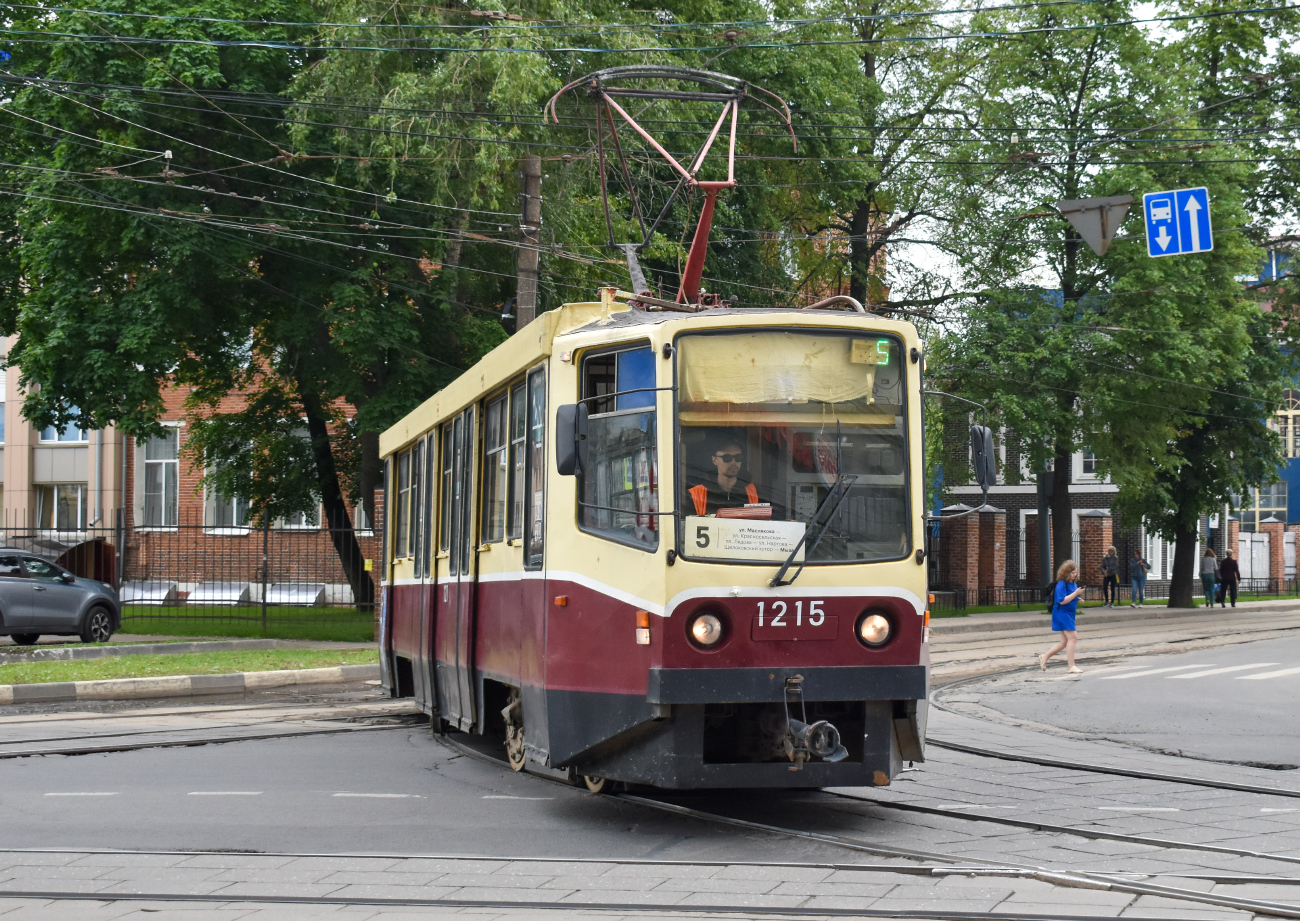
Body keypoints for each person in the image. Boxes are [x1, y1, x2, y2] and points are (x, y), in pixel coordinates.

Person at [686, 435, 760, 516]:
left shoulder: (755, 492)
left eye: (738, 457)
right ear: (714, 460)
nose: (733, 462)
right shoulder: (696, 494)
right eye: (727, 457)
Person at [1040, 560, 1085, 674]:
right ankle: (1071, 666)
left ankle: (1045, 656)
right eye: (1072, 573)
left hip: (1069, 613)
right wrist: (1076, 594)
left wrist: (1077, 599)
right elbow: (1062, 600)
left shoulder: (1073, 584)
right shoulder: (1061, 584)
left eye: (1076, 572)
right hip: (1061, 613)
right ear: (1066, 573)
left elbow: (1070, 597)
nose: (1075, 575)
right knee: (1073, 638)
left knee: (1064, 642)